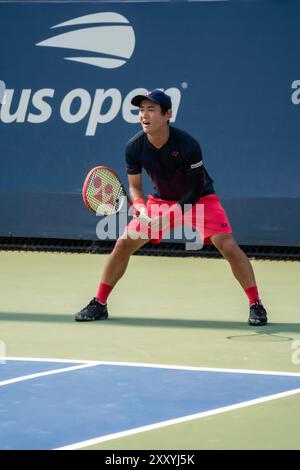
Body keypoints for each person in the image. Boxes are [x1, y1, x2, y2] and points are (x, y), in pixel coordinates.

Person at [74, 89, 268, 326]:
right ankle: (99, 303)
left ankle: (255, 304)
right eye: (141, 110)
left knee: (227, 245)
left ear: (168, 114)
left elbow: (194, 190)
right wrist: (142, 209)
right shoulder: (134, 147)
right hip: (160, 200)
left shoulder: (188, 145)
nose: (144, 115)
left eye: (151, 110)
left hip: (200, 199)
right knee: (123, 243)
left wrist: (167, 218)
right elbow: (134, 187)